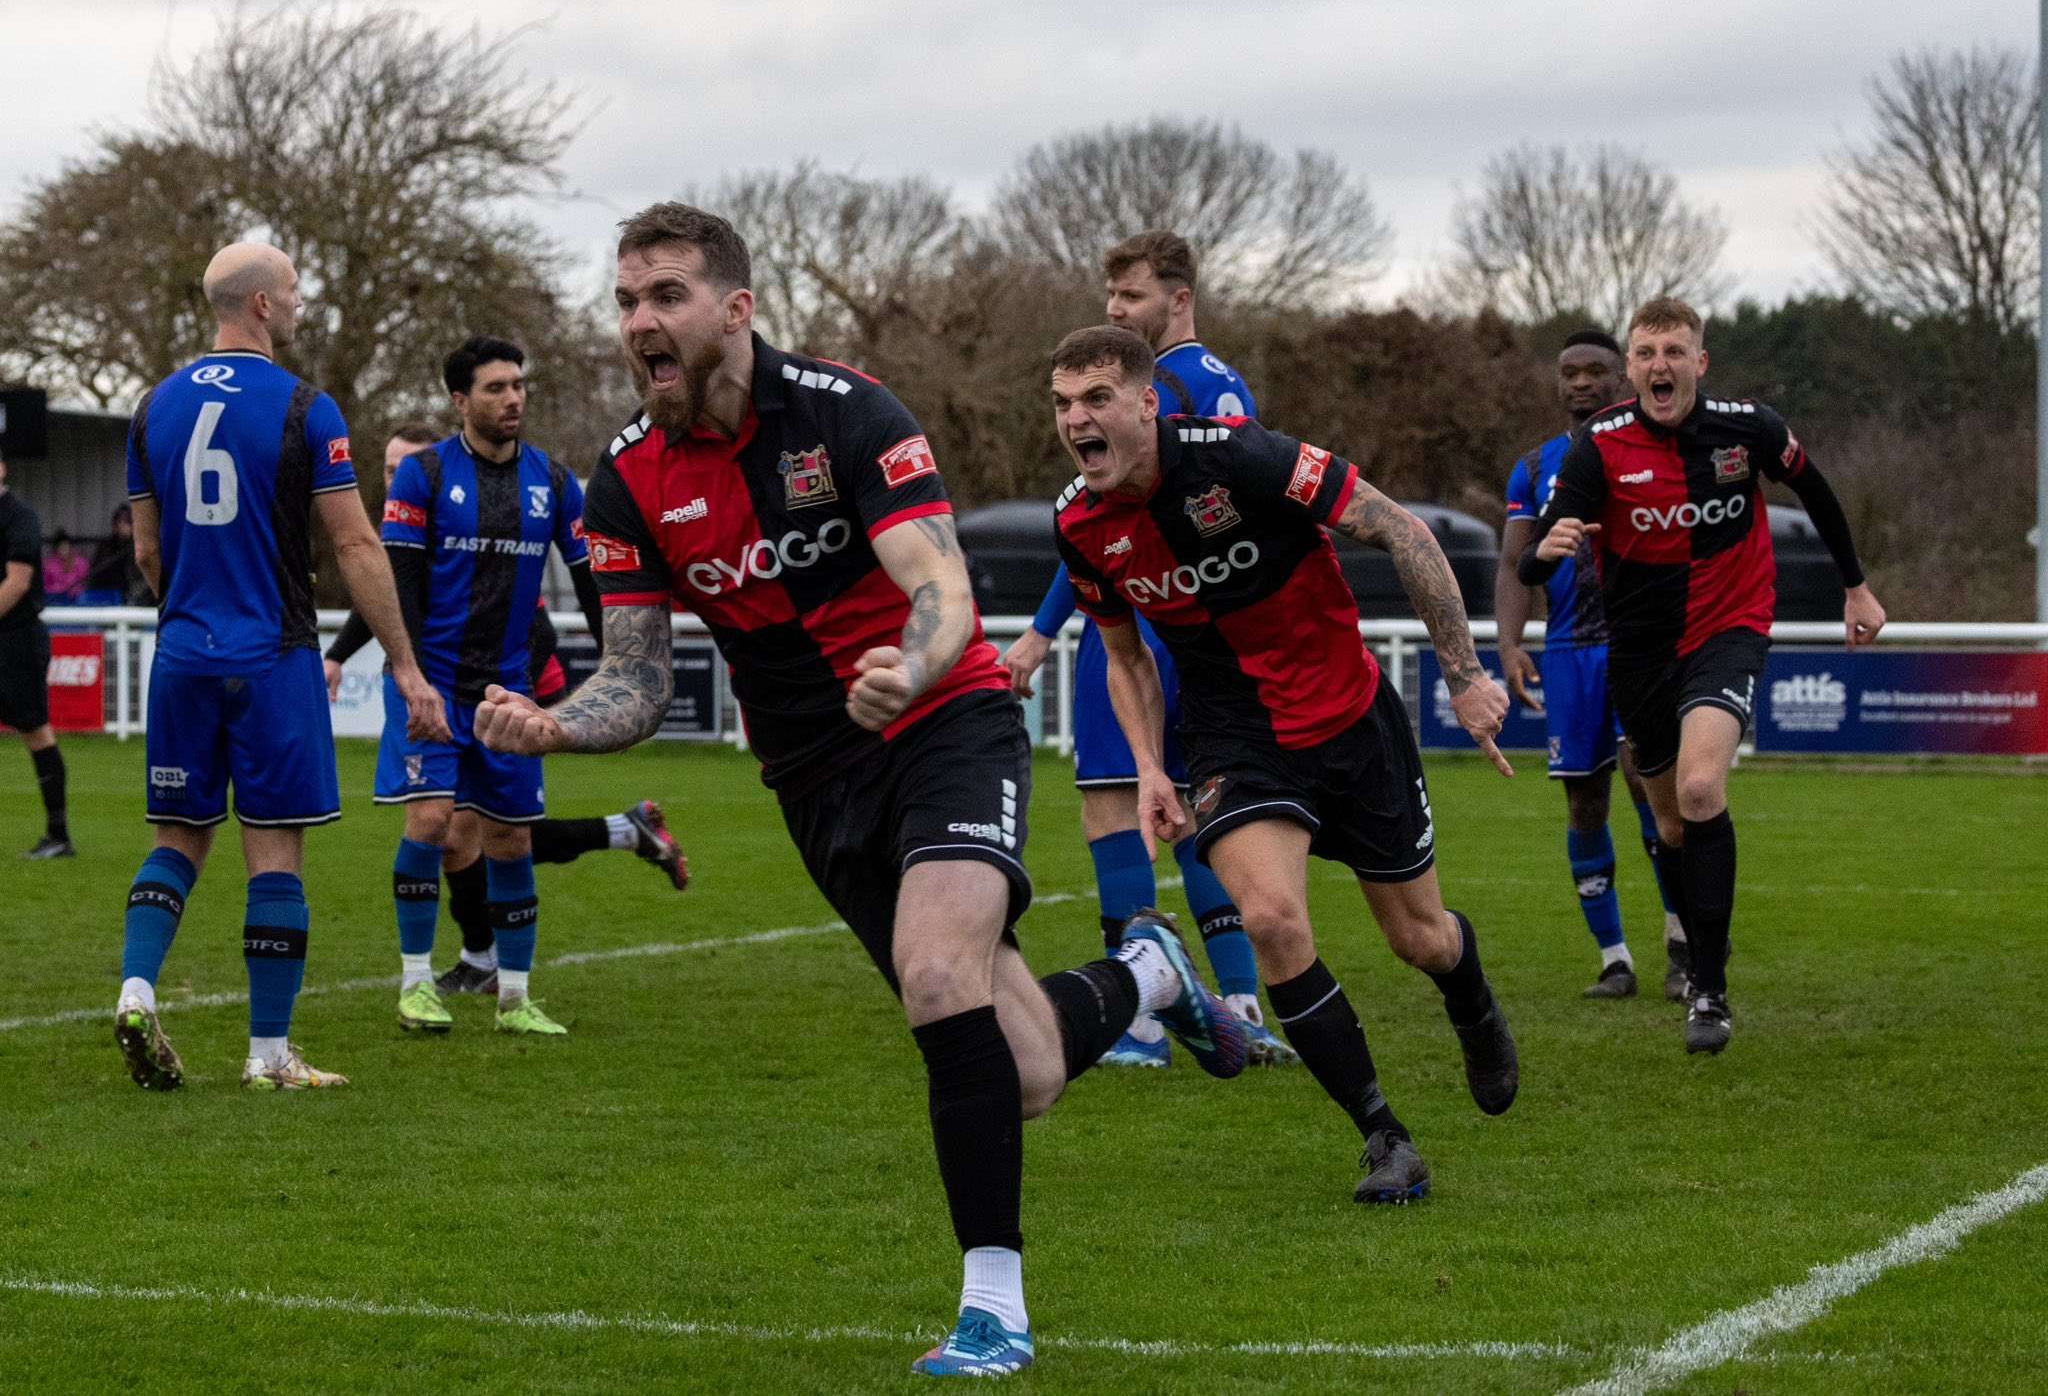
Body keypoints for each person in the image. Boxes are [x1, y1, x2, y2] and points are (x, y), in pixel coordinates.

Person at [478, 203, 1248, 1379]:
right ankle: (1147, 975)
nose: (641, 322)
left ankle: (994, 1310)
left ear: (735, 310)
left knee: (939, 980)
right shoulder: (625, 480)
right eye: (627, 299)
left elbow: (936, 581)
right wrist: (553, 724)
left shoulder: (848, 414)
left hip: (945, 723)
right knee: (1025, 1072)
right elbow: (632, 679)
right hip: (812, 779)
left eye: (666, 296)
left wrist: (914, 662)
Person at [1048, 325, 1521, 1206]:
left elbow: (1399, 529)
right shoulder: (1078, 523)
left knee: (1419, 937)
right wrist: (1150, 767)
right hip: (1236, 744)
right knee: (1269, 919)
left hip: (1351, 721)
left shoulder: (1243, 458)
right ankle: (1385, 1135)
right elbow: (1125, 658)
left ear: (1147, 402)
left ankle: (1471, 993)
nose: (1078, 420)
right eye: (1064, 404)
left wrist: (1464, 676)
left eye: (1097, 400)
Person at [113, 241, 448, 1093]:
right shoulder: (307, 407)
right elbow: (354, 541)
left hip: (183, 652)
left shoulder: (152, 407)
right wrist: (405, 666)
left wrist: (192, 608)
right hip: (273, 656)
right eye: (294, 291)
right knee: (275, 855)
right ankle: (269, 1055)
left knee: (177, 841)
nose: (301, 304)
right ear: (261, 305)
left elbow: (149, 550)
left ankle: (136, 989)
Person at [1521, 296, 1886, 1054]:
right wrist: (1544, 549)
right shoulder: (1599, 444)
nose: (1662, 366)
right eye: (1648, 353)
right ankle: (1699, 957)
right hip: (1640, 649)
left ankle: (1709, 989)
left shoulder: (1747, 427)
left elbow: (1813, 488)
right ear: (1632, 367)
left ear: (1700, 361)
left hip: (1728, 628)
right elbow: (1533, 556)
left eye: (1675, 352)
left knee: (1698, 789)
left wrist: (1856, 585)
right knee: (1667, 823)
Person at [1001, 231, 1294, 1068]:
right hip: (1194, 627)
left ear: (1178, 300)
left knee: (1111, 806)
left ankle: (1138, 1024)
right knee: (1198, 810)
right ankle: (1238, 1002)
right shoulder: (1221, 385)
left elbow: (1106, 531)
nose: (1114, 311)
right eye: (1110, 298)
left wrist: (1037, 634)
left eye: (1129, 297)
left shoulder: (1171, 388)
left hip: (1145, 620)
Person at [324, 423, 685, 999]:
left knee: (479, 833)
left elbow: (538, 625)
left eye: (403, 470)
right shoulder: (422, 537)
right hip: (462, 691)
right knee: (461, 836)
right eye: (388, 471)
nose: (396, 481)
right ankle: (613, 841)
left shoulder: (484, 527)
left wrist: (512, 695)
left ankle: (487, 955)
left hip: (507, 693)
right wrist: (340, 656)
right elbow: (386, 598)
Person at [372, 338, 607, 1038]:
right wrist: (409, 675)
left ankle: (515, 998)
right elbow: (398, 585)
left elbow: (593, 583)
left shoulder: (555, 482)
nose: (514, 399)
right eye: (497, 387)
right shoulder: (422, 475)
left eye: (518, 385)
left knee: (508, 837)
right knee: (432, 823)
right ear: (459, 400)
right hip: (432, 682)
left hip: (508, 693)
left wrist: (622, 668)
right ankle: (416, 985)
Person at [1497, 329, 1686, 1000]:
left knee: (1651, 788)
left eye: (1595, 370)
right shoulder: (1535, 465)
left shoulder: (1655, 448)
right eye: (1569, 372)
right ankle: (1614, 959)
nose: (1581, 382)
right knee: (1584, 801)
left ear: (1623, 377)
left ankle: (1681, 943)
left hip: (1638, 642)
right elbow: (1515, 560)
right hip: (1571, 653)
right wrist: (1512, 643)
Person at [0, 455, 76, 859]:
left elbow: (17, 583)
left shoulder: (19, 518)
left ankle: (59, 835)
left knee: (35, 731)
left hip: (16, 640)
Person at [87, 503, 150, 604]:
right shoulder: (106, 546)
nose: (122, 526)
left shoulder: (141, 547)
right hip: (108, 598)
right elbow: (96, 574)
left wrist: (133, 596)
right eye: (118, 522)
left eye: (126, 522)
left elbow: (148, 578)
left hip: (136, 600)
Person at [42, 530, 90, 602]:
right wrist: (59, 589)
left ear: (70, 547)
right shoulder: (48, 565)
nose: (64, 550)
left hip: (76, 597)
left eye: (66, 546)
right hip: (56, 598)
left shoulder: (81, 563)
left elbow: (83, 583)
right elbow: (45, 586)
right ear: (56, 549)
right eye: (61, 547)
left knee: (82, 597)